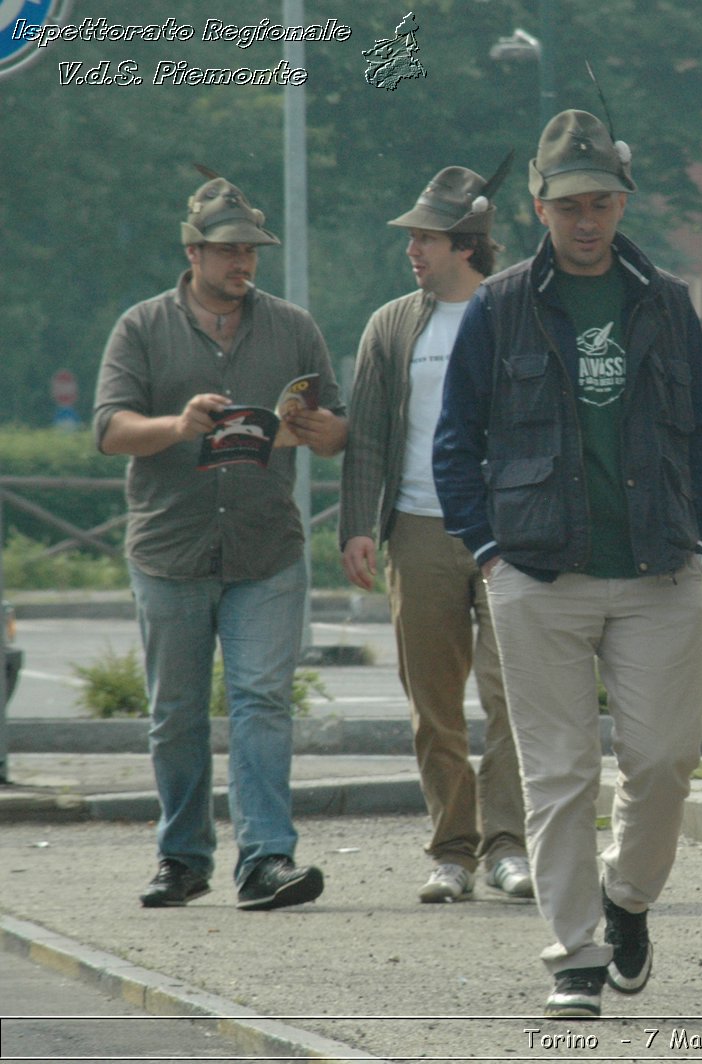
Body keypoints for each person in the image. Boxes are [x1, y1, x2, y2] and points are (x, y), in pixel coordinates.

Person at [434, 109, 702, 1019]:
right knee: (559, 772)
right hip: (537, 574)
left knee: (665, 762)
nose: (586, 221)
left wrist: (693, 531)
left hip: (657, 571)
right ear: (538, 207)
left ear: (623, 202)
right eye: (568, 206)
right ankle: (575, 956)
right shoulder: (499, 304)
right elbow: (454, 444)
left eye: (600, 203)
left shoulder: (668, 301)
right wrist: (489, 554)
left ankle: (626, 899)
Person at [94, 170, 348, 911]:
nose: (244, 263)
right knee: (174, 712)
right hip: (171, 549)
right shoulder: (142, 327)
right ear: (194, 251)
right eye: (230, 250)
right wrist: (177, 425)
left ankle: (268, 859)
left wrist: (318, 429)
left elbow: (333, 432)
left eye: (252, 251)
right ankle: (183, 856)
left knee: (262, 700)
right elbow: (109, 430)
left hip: (266, 549)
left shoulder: (294, 327)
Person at [339, 160, 533, 905]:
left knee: (514, 695)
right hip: (416, 530)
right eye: (412, 239)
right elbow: (368, 438)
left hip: (510, 532)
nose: (412, 251)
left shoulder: (519, 311)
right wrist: (360, 525)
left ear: (467, 244)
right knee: (433, 701)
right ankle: (452, 848)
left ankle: (508, 845)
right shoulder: (392, 324)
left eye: (426, 238)